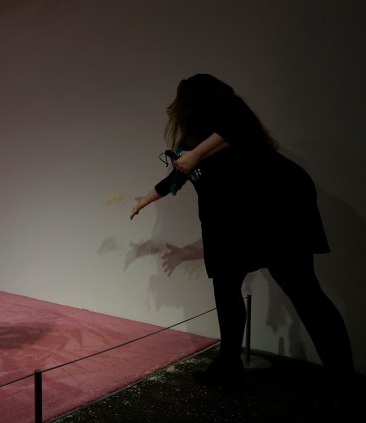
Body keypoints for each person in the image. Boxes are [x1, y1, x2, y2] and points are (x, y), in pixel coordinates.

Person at [129, 74, 355, 401]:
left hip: (277, 207)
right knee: (225, 285)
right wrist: (144, 199)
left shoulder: (225, 113)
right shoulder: (195, 142)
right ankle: (228, 365)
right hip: (237, 218)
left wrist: (194, 156)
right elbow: (173, 179)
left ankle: (342, 379)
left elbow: (240, 126)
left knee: (303, 290)